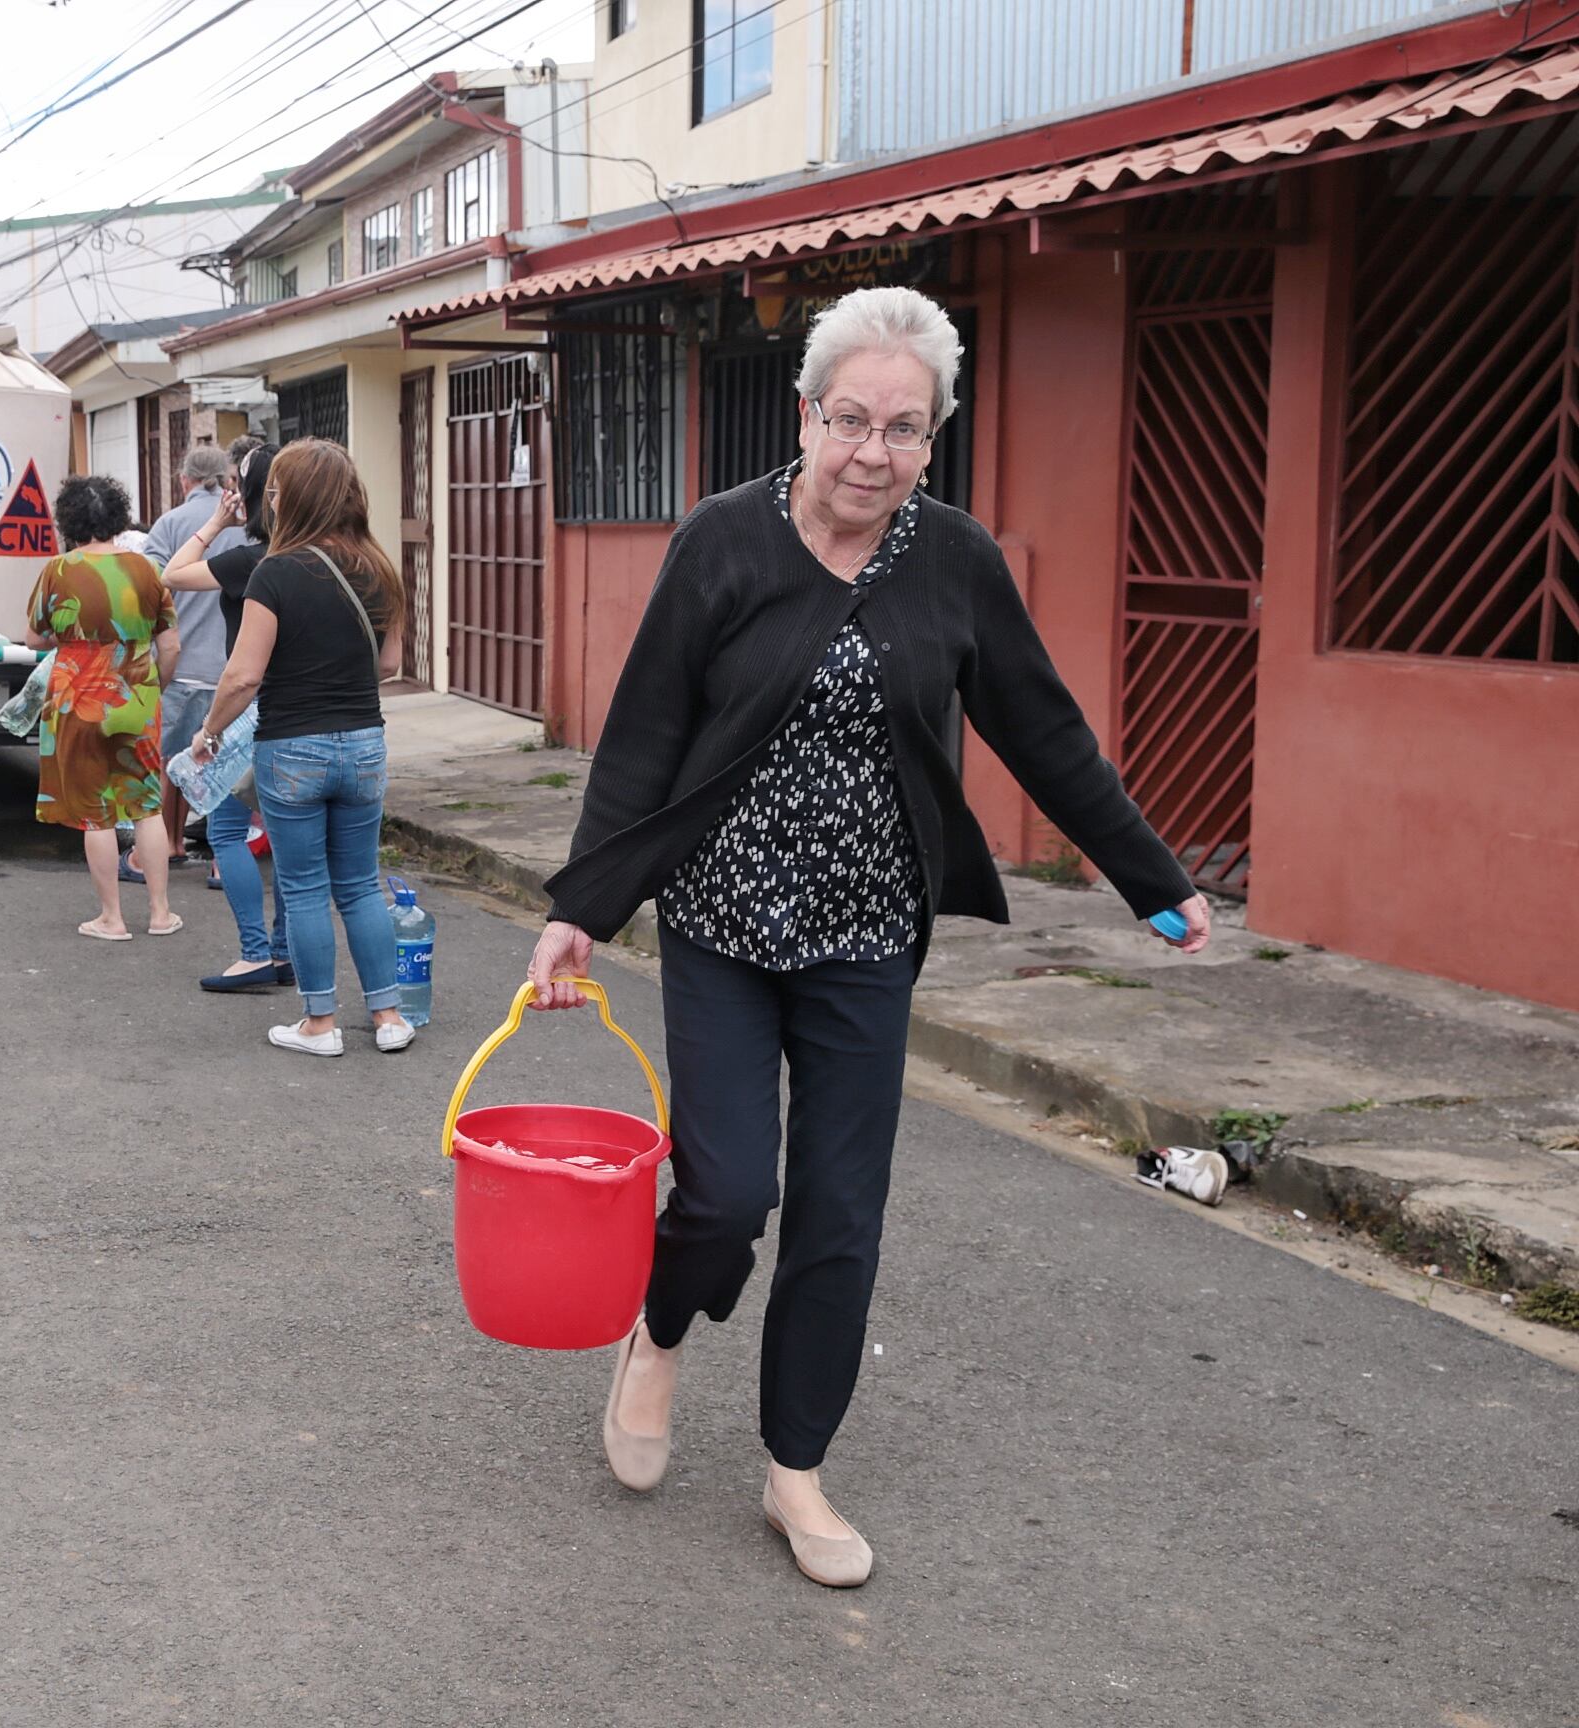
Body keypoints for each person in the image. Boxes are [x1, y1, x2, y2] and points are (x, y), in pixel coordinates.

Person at [524, 287, 1212, 1589]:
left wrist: (1148, 875)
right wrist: (580, 907)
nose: (873, 453)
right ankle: (659, 1334)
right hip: (723, 923)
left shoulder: (951, 561)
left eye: (905, 429)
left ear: (930, 440)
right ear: (807, 416)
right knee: (727, 1193)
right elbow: (646, 736)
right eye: (852, 420)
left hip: (865, 936)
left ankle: (795, 1473)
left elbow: (1041, 724)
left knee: (842, 1214)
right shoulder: (724, 543)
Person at [189, 440, 413, 1056]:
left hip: (292, 747)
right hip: (365, 743)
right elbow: (389, 662)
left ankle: (319, 1025)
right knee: (362, 885)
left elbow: (242, 676)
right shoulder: (378, 565)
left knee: (307, 888)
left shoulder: (276, 571)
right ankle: (390, 1018)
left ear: (293, 497)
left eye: (277, 489)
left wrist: (207, 733)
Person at [25, 474, 182, 940]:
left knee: (96, 810)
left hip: (78, 698)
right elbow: (171, 646)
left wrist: (76, 641)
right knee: (146, 805)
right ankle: (159, 914)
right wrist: (154, 687)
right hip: (137, 692)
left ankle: (111, 918)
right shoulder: (147, 569)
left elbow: (34, 636)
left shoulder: (58, 570)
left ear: (68, 519)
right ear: (117, 516)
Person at [163, 441, 290, 992]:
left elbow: (174, 573)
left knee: (226, 826)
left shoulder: (249, 560)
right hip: (300, 707)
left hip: (247, 707)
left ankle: (255, 951)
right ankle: (285, 949)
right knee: (290, 836)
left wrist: (216, 520)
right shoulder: (318, 558)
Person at [139, 445, 236, 872]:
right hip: (232, 669)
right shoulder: (246, 525)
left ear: (184, 481)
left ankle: (170, 845)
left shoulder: (171, 524)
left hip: (179, 667)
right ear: (227, 479)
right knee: (226, 762)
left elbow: (146, 587)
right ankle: (223, 860)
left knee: (168, 762)